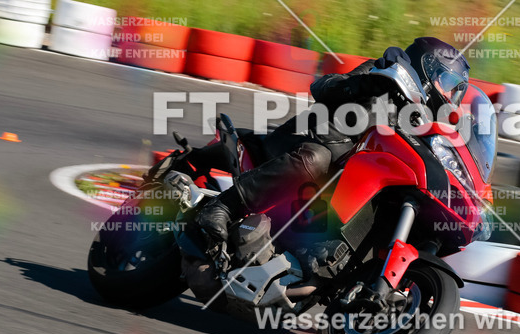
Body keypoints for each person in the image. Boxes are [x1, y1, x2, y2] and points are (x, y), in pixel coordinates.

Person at [192, 37, 471, 266]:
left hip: (349, 172)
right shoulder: (384, 73)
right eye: (447, 84)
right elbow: (322, 86)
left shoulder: (423, 125)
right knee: (316, 159)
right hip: (308, 140)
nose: (449, 97)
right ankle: (222, 207)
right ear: (427, 68)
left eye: (455, 91)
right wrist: (363, 84)